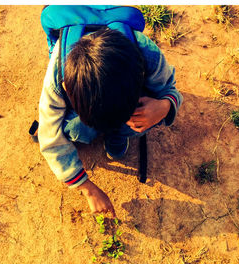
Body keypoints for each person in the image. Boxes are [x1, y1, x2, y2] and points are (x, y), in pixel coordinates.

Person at [38, 7, 183, 218]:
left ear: (139, 78)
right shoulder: (57, 76)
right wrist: (88, 189)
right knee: (77, 129)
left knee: (144, 117)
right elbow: (49, 138)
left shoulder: (147, 54)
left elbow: (170, 88)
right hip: (92, 103)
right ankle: (99, 127)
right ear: (68, 91)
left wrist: (163, 107)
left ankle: (119, 133)